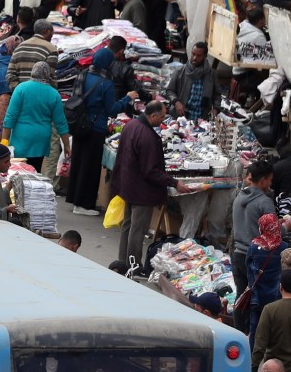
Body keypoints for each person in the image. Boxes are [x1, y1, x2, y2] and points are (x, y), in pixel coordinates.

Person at [110, 99, 193, 267]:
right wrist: (174, 183)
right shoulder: (147, 136)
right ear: (153, 115)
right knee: (137, 229)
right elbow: (151, 171)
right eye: (161, 117)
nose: (163, 120)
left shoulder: (131, 125)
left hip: (128, 185)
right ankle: (133, 265)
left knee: (128, 225)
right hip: (141, 190)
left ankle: (123, 261)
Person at [65, 46, 128, 215]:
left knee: (78, 163)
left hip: (80, 125)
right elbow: (112, 109)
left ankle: (75, 201)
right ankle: (84, 205)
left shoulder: (83, 74)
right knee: (90, 167)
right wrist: (128, 98)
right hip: (95, 128)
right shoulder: (106, 83)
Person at [0, 60, 70, 170]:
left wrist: (4, 141)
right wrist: (66, 145)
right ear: (47, 75)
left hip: (20, 139)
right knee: (35, 171)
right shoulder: (54, 94)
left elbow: (10, 117)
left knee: (19, 171)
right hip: (40, 140)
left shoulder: (21, 88)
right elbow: (61, 123)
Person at [232, 160, 277, 294]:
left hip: (238, 255)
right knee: (260, 299)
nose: (270, 183)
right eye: (270, 180)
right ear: (263, 180)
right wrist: (287, 227)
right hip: (257, 257)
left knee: (242, 299)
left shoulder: (238, 198)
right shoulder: (264, 202)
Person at [248, 215, 287, 343]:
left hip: (257, 296)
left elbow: (248, 268)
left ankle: (253, 360)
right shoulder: (284, 247)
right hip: (276, 296)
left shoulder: (253, 246)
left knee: (255, 329)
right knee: (276, 330)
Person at [168, 42, 218, 118]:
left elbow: (217, 94)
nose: (194, 58)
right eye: (193, 54)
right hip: (181, 116)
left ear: (205, 56)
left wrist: (215, 109)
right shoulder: (180, 70)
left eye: (199, 56)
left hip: (201, 118)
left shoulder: (211, 73)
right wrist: (176, 102)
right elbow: (169, 90)